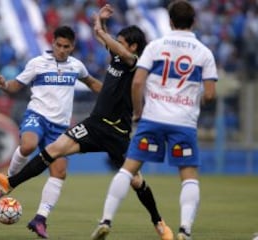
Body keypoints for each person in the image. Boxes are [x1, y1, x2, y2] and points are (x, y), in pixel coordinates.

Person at [0, 4, 173, 240]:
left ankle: (159, 223)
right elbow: (109, 46)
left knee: (136, 181)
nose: (115, 45)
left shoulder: (134, 60)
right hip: (94, 124)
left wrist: (100, 30)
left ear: (133, 46)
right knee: (52, 151)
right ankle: (11, 184)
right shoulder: (116, 56)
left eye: (121, 41)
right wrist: (101, 24)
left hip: (117, 132)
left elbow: (117, 57)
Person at [91, 1, 218, 240]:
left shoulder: (156, 47)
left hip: (153, 118)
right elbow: (210, 95)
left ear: (170, 21)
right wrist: (191, 102)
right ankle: (184, 230)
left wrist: (139, 112)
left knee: (127, 170)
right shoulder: (204, 52)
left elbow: (138, 83)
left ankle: (105, 220)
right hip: (184, 122)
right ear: (194, 22)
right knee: (188, 176)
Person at [0, 24, 102, 228]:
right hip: (37, 116)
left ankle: (41, 219)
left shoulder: (76, 66)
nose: (61, 50)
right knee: (29, 145)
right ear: (53, 43)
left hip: (60, 128)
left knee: (59, 173)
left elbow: (93, 83)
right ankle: (7, 180)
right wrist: (4, 85)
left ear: (72, 46)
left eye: (66, 46)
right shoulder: (37, 63)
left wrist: (115, 96)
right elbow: (16, 85)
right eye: (58, 45)